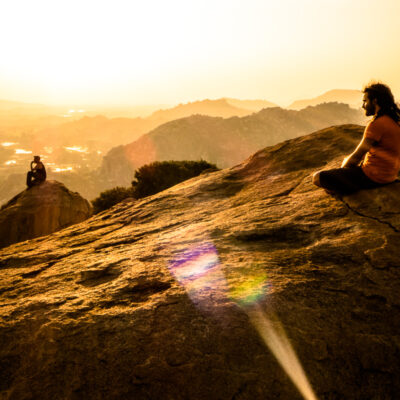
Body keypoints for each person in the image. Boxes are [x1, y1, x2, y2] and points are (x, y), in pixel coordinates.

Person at [312, 82, 400, 195]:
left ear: (375, 101)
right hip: (389, 176)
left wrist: (342, 172)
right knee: (345, 161)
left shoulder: (377, 124)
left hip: (372, 177)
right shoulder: (395, 120)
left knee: (317, 177)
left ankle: (348, 189)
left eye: (365, 101)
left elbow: (358, 155)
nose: (363, 105)